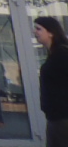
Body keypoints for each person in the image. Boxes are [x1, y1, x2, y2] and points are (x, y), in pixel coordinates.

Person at [33, 17, 68, 147]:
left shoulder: (61, 54)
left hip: (62, 117)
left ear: (51, 32)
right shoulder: (55, 54)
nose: (35, 32)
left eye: (39, 29)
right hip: (56, 117)